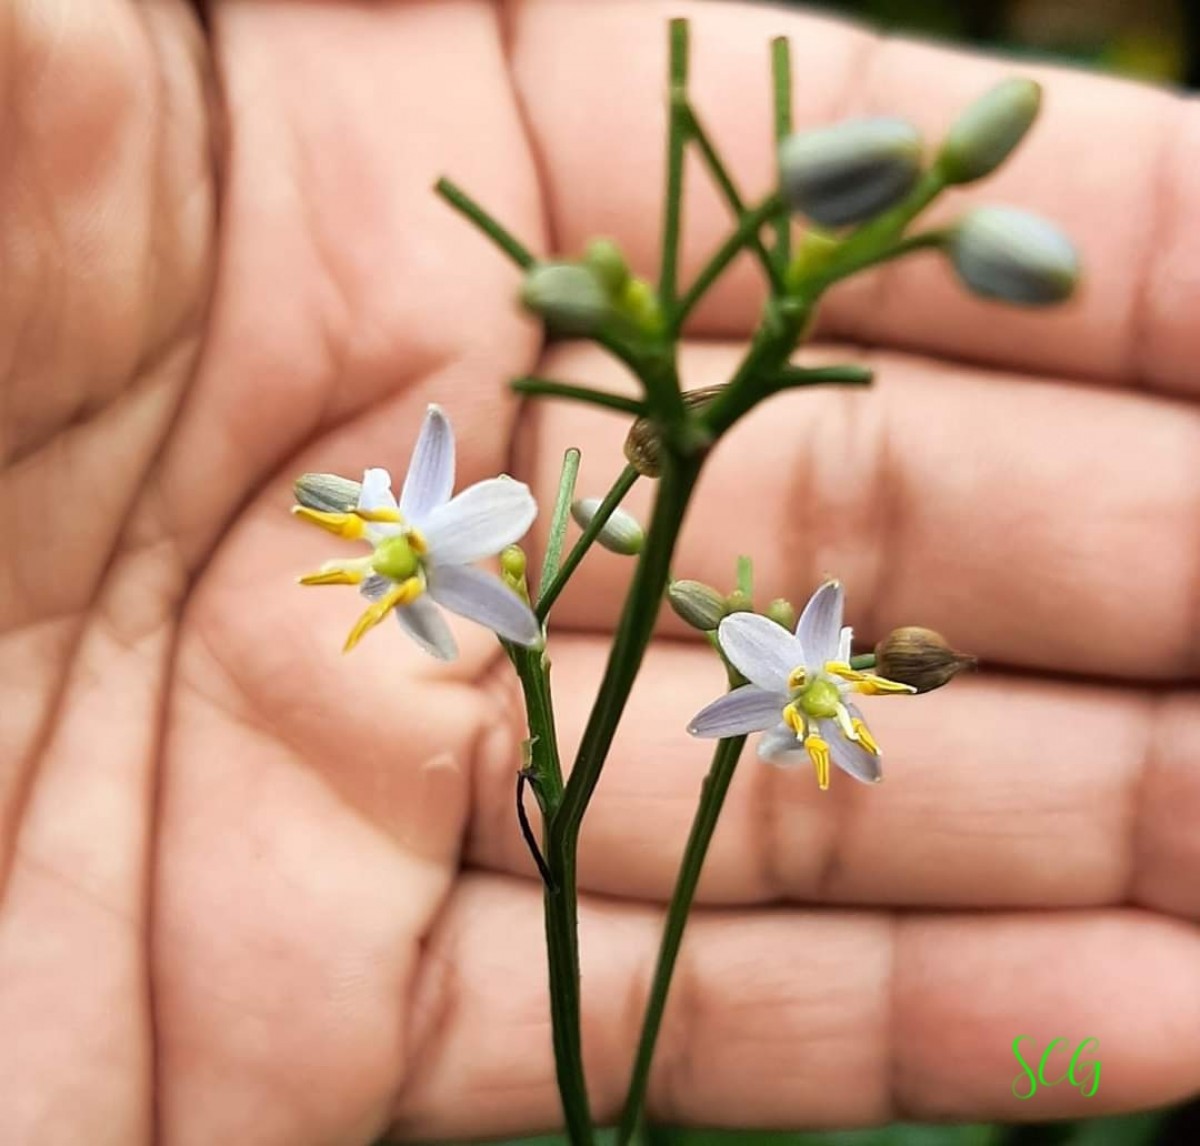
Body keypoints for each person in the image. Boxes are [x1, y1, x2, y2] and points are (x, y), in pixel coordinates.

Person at [1, 1, 1197, 1142]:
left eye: (401, 549)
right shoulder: (469, 583)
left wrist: (806, 689)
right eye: (400, 551)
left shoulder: (524, 580)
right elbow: (517, 573)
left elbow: (666, 625)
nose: (395, 559)